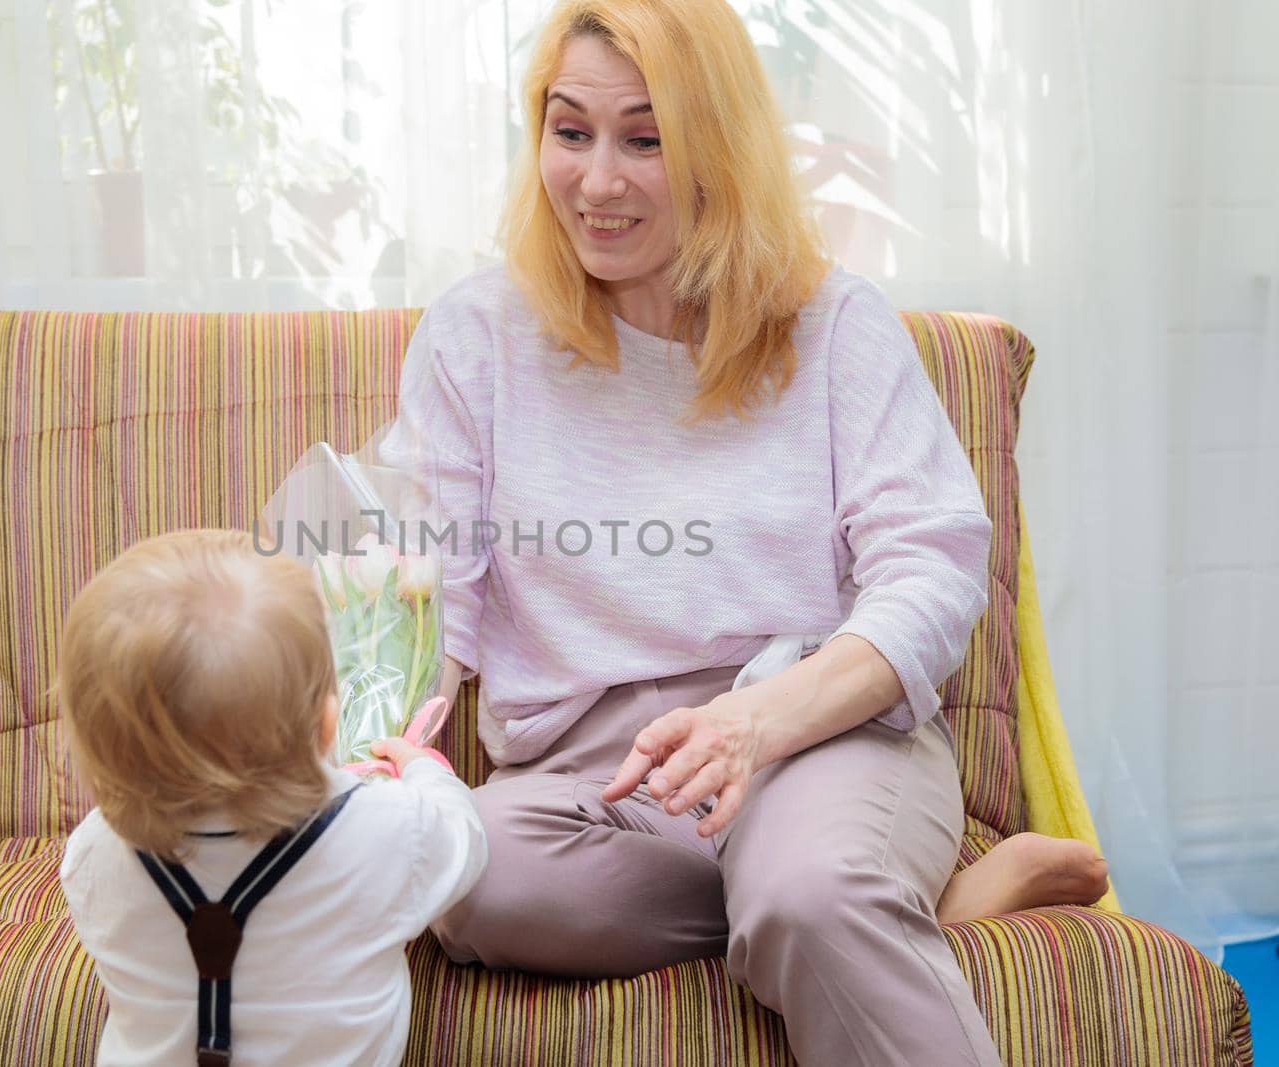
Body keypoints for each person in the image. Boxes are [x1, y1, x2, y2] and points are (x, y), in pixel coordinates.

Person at [375, 1, 1109, 1062]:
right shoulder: (477, 334)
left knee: (807, 883)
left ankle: (824, 895)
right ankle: (896, 904)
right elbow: (430, 584)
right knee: (464, 874)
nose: (597, 181)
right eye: (570, 131)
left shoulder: (834, 325)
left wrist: (758, 723)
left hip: (814, 730)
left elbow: (931, 567)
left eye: (646, 137)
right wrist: (383, 756)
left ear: (719, 146)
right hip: (599, 780)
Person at [56, 529, 486, 1067]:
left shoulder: (92, 856)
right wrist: (426, 773)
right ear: (329, 723)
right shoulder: (389, 831)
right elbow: (466, 843)